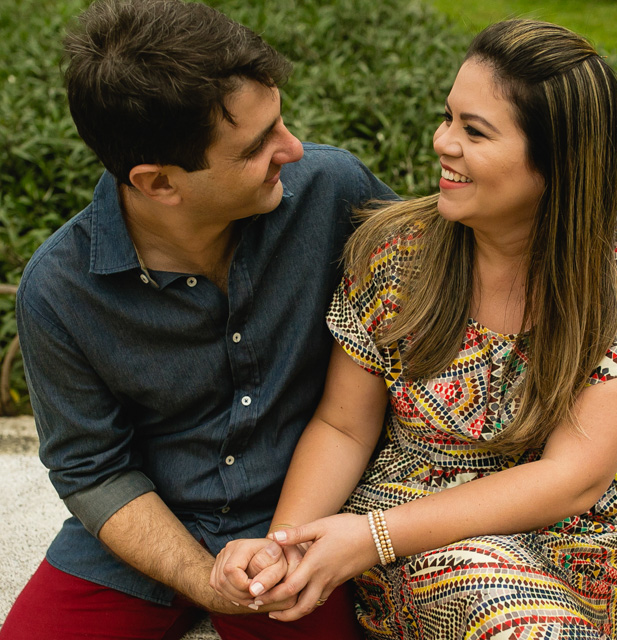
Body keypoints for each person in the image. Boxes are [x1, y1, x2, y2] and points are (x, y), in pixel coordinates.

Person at [211, 18, 617, 640]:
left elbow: (575, 478)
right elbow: (343, 425)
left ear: (558, 160)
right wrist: (285, 543)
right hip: (417, 531)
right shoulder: (395, 251)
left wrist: (372, 538)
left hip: (572, 539)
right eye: (448, 117)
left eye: (474, 131)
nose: (442, 142)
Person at [2, 1, 394, 638]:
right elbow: (93, 469)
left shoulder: (334, 191)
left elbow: (432, 295)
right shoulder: (59, 292)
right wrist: (198, 573)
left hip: (307, 527)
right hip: (140, 542)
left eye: (280, 122)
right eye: (255, 147)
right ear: (159, 183)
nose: (292, 149)